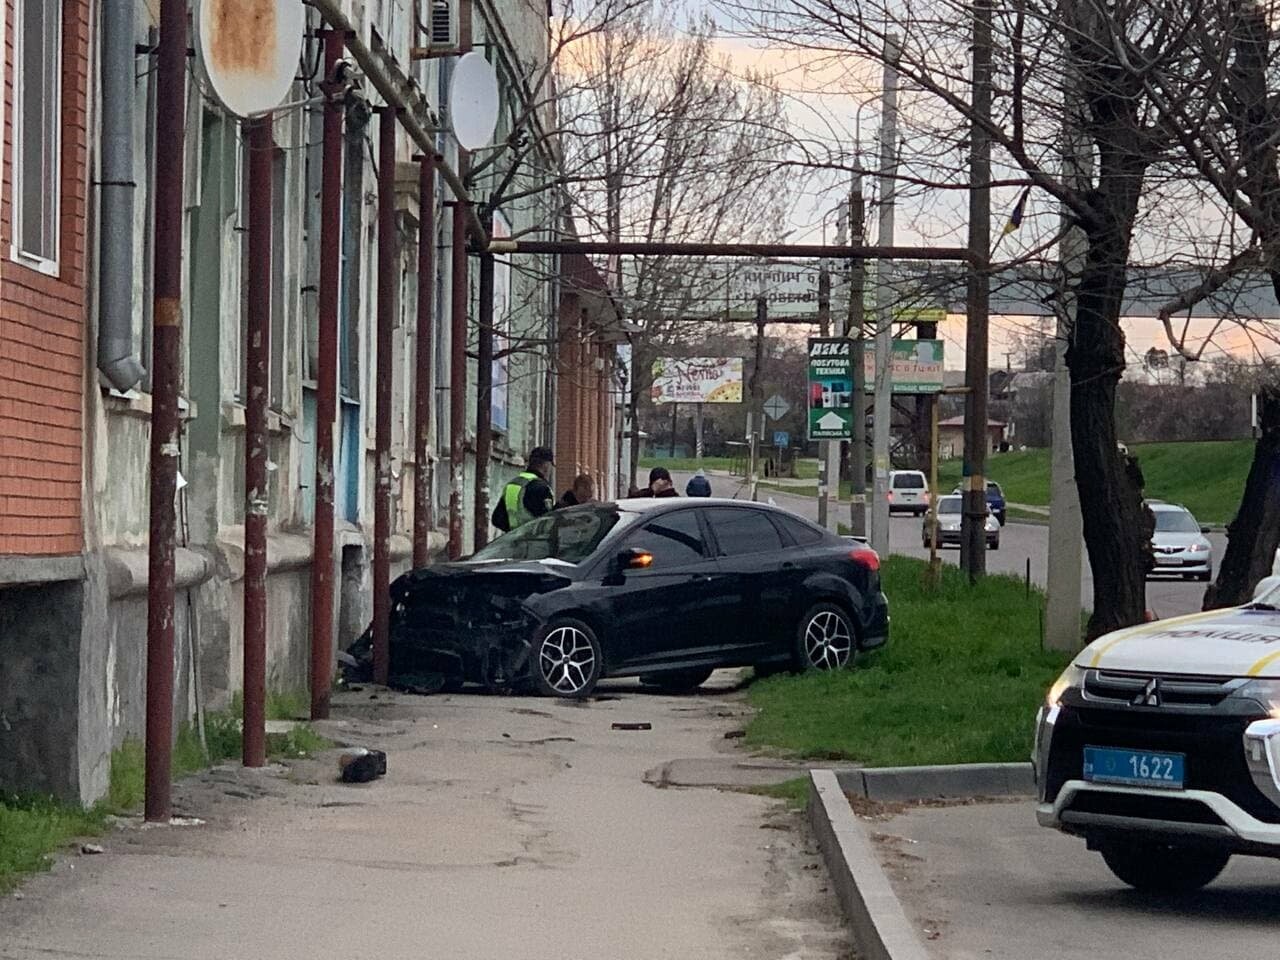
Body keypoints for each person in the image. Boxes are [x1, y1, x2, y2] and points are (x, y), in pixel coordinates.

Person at [491, 447, 556, 533]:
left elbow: (497, 519)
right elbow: (547, 523)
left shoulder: (513, 484)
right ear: (546, 465)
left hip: (513, 542)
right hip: (534, 543)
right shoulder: (542, 488)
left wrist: (514, 532)